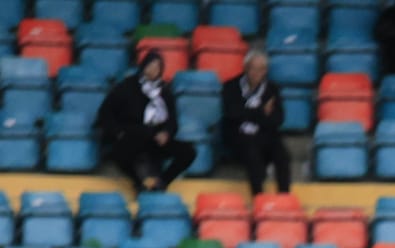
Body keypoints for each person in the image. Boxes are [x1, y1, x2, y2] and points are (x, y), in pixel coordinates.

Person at [96, 52, 196, 194]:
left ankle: (162, 182)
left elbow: (172, 120)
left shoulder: (165, 92)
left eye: (158, 67)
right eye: (151, 65)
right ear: (143, 66)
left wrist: (166, 133)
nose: (154, 70)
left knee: (188, 152)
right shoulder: (127, 87)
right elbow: (105, 113)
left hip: (155, 139)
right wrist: (118, 132)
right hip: (131, 136)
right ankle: (138, 183)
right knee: (118, 153)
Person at [219, 51, 289, 195]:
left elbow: (277, 119)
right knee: (251, 149)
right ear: (245, 68)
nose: (257, 73)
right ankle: (258, 197)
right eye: (253, 68)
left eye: (261, 69)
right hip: (237, 137)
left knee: (282, 153)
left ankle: (284, 195)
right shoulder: (230, 87)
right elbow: (232, 114)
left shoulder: (272, 89)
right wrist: (261, 112)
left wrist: (247, 112)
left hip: (264, 136)